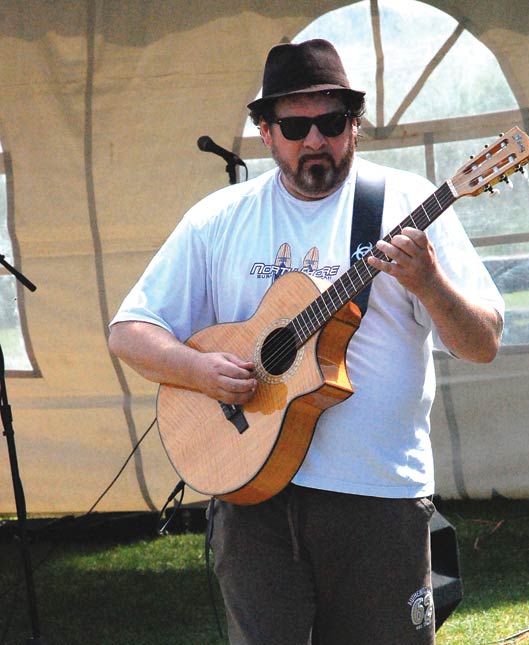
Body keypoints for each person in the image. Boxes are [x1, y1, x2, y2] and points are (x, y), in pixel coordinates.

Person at [109, 39, 504, 644]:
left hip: (378, 496)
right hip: (251, 499)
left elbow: (483, 343)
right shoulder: (218, 220)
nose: (315, 139)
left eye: (332, 122)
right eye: (295, 125)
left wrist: (430, 285)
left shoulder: (404, 206)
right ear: (265, 133)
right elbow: (129, 332)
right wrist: (199, 372)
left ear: (356, 128)